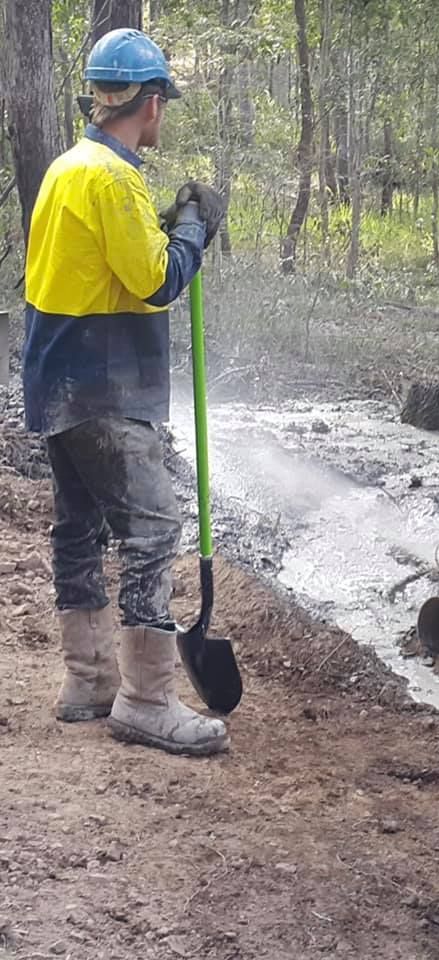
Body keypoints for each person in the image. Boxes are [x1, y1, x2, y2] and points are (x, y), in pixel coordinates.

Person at [23, 28, 230, 756]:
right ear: (148, 103)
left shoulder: (69, 168)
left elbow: (111, 261)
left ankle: (87, 681)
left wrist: (169, 227)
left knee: (79, 527)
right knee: (151, 529)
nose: (161, 115)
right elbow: (154, 281)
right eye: (161, 103)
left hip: (56, 380)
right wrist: (197, 231)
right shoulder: (114, 178)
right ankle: (146, 698)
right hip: (103, 384)